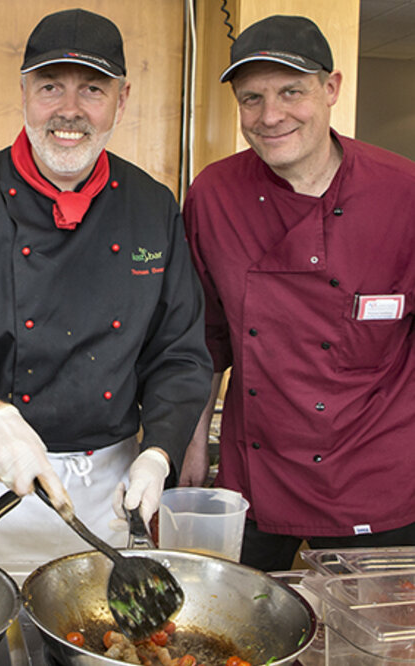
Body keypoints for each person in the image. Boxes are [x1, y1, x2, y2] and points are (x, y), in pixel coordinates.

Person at [0, 9, 212, 576]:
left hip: (105, 491)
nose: (70, 110)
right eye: (50, 86)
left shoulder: (151, 205)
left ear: (122, 100)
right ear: (24, 93)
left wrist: (159, 453)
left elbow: (179, 352)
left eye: (92, 89)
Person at [181, 15, 415, 571]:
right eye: (252, 98)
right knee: (238, 636)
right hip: (256, 474)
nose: (270, 116)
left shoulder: (403, 194)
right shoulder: (213, 195)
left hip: (379, 478)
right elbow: (204, 336)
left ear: (331, 89)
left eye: (291, 92)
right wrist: (191, 443)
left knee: (378, 647)